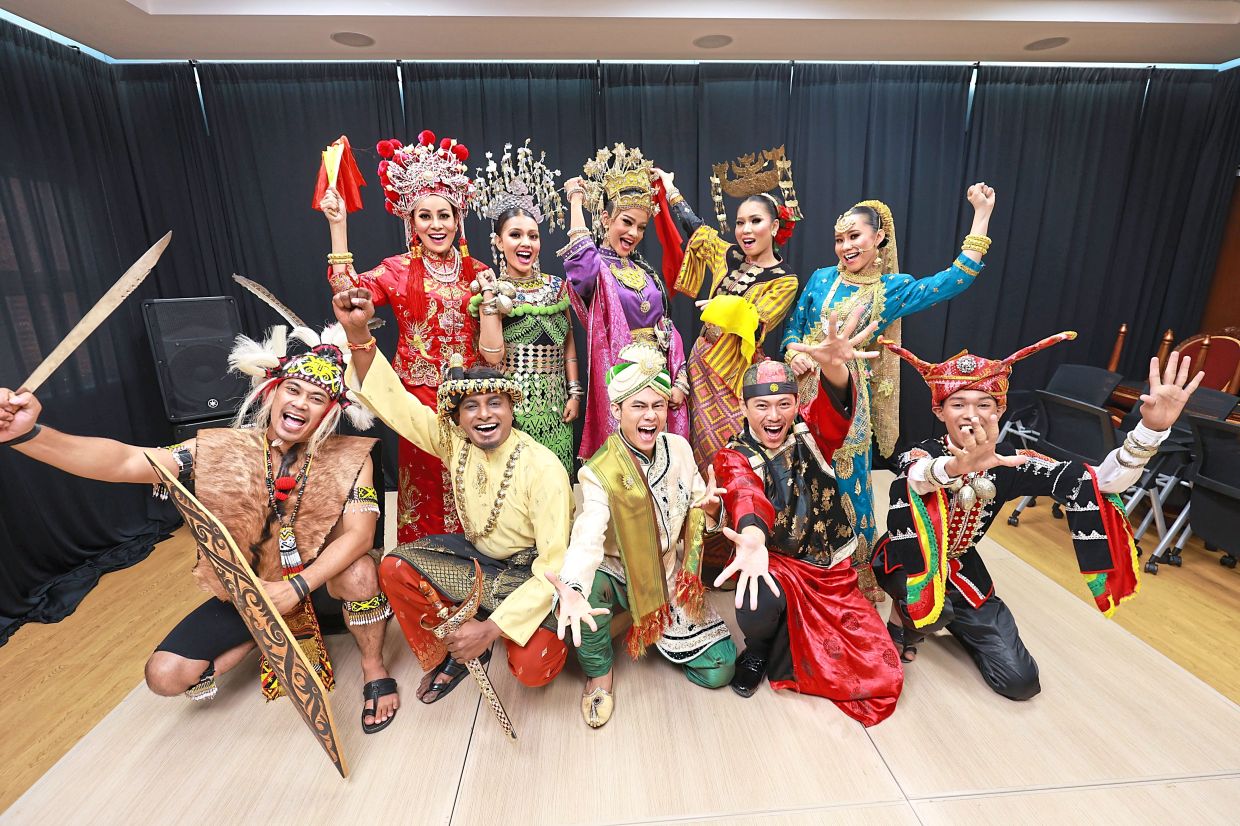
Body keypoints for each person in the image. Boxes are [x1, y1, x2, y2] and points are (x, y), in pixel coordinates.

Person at [0, 322, 400, 732]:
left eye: (316, 398)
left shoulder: (353, 456)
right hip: (256, 591)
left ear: (331, 411)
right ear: (272, 392)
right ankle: (261, 635)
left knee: (359, 570)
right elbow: (126, 462)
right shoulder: (220, 448)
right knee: (165, 675)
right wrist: (28, 435)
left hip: (324, 587)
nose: (300, 403)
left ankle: (373, 667)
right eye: (293, 390)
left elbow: (359, 536)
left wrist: (297, 587)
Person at [871, 336, 1203, 700]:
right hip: (907, 559)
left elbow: (1099, 481)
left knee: (1020, 682)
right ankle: (908, 619)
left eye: (985, 404)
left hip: (963, 571)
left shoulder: (1011, 461)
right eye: (958, 404)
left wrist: (1150, 431)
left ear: (999, 410)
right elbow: (917, 478)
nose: (971, 414)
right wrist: (957, 466)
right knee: (930, 611)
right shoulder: (920, 454)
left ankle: (954, 623)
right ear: (939, 411)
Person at [334, 286, 572, 704]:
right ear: (457, 418)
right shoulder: (454, 442)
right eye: (471, 407)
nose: (484, 415)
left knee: (534, 668)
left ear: (511, 409)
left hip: (528, 574)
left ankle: (483, 631)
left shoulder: (544, 468)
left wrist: (493, 630)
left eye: (494, 403)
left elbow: (555, 568)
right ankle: (453, 653)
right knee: (394, 566)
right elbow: (396, 405)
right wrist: (358, 336)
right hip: (479, 563)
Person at [781, 187, 996, 596]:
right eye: (840, 239)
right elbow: (792, 329)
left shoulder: (890, 289)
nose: (846, 246)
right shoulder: (820, 279)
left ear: (879, 237)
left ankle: (856, 572)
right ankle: (799, 563)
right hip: (803, 392)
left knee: (849, 483)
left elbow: (954, 280)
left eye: (855, 237)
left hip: (848, 396)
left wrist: (981, 215)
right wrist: (794, 353)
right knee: (798, 478)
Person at [711, 306, 904, 727]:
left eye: (784, 403)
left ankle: (788, 634)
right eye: (762, 406)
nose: (774, 416)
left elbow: (835, 412)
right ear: (745, 410)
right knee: (755, 594)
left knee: (877, 664)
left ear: (798, 404)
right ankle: (759, 649)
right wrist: (753, 537)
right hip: (771, 560)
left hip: (825, 568)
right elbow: (745, 492)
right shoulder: (734, 454)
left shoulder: (811, 435)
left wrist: (835, 370)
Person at [320, 129, 498, 544]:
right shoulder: (397, 270)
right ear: (410, 221)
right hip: (416, 399)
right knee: (426, 488)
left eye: (445, 215)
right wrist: (338, 227)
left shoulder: (478, 271)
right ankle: (425, 572)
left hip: (471, 397)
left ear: (458, 218)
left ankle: (480, 566)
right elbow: (348, 290)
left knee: (476, 481)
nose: (436, 225)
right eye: (425, 215)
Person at [549, 342, 736, 729]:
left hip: (668, 577)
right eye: (638, 406)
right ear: (617, 410)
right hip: (620, 574)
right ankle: (600, 673)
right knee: (589, 590)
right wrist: (570, 585)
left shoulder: (680, 448)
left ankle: (644, 626)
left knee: (722, 669)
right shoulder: (599, 471)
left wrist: (714, 511)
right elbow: (588, 534)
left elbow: (701, 507)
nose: (650, 416)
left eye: (658, 406)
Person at [654, 149, 802, 472]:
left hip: (734, 372)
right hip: (701, 364)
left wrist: (722, 307)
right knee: (698, 447)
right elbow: (698, 231)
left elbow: (756, 322)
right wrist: (671, 189)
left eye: (755, 221)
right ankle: (707, 517)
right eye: (740, 223)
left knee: (736, 452)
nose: (746, 230)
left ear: (775, 227)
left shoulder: (784, 279)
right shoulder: (730, 256)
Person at [559, 143, 689, 459]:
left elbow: (666, 326)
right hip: (623, 381)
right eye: (626, 222)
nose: (633, 233)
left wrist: (679, 379)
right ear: (606, 219)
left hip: (660, 381)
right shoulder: (597, 270)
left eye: (641, 227)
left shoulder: (643, 270)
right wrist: (576, 201)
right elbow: (583, 265)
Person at [470, 140, 580, 476]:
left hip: (558, 409)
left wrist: (575, 393)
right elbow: (490, 356)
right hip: (513, 411)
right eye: (515, 235)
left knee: (559, 490)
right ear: (498, 243)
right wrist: (490, 299)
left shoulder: (556, 286)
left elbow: (569, 346)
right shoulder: (492, 290)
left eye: (533, 236)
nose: (526, 243)